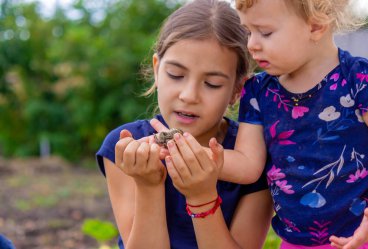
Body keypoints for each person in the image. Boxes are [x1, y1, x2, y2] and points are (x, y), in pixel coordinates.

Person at [151, 0, 368, 248]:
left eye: (265, 32)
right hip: (295, 243)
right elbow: (248, 165)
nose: (251, 45)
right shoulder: (259, 91)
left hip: (365, 236)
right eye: (248, 32)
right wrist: (193, 153)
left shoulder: (360, 79)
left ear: (315, 26)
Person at [96, 1, 273, 249]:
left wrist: (201, 196)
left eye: (212, 83)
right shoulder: (125, 147)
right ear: (157, 70)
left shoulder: (254, 158)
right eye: (176, 75)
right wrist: (148, 185)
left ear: (237, 90)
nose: (189, 95)